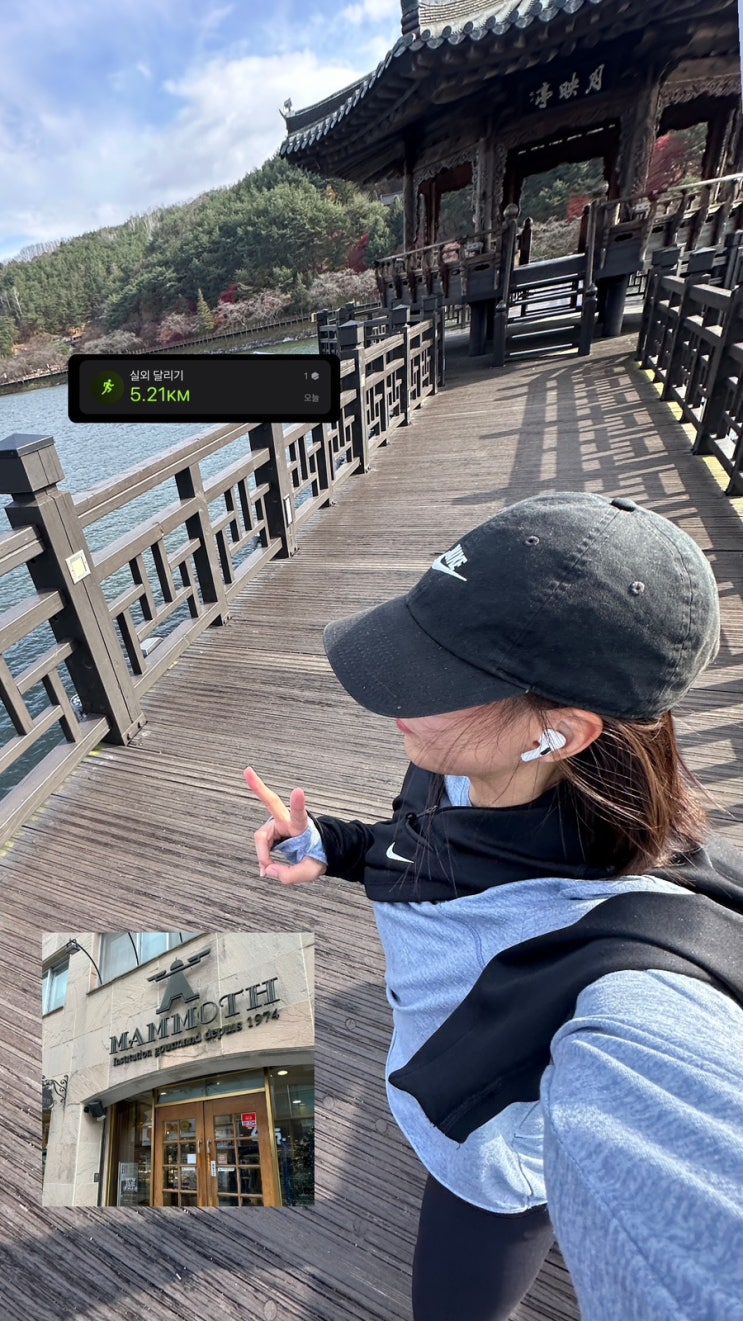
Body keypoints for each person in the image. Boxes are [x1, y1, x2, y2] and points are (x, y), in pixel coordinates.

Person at [244, 491, 743, 1321]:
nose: (397, 697)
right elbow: (422, 846)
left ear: (561, 730)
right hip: (448, 1093)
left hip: (488, 1164)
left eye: (439, 674)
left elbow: (687, 1162)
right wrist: (333, 844)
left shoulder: (617, 955)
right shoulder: (464, 760)